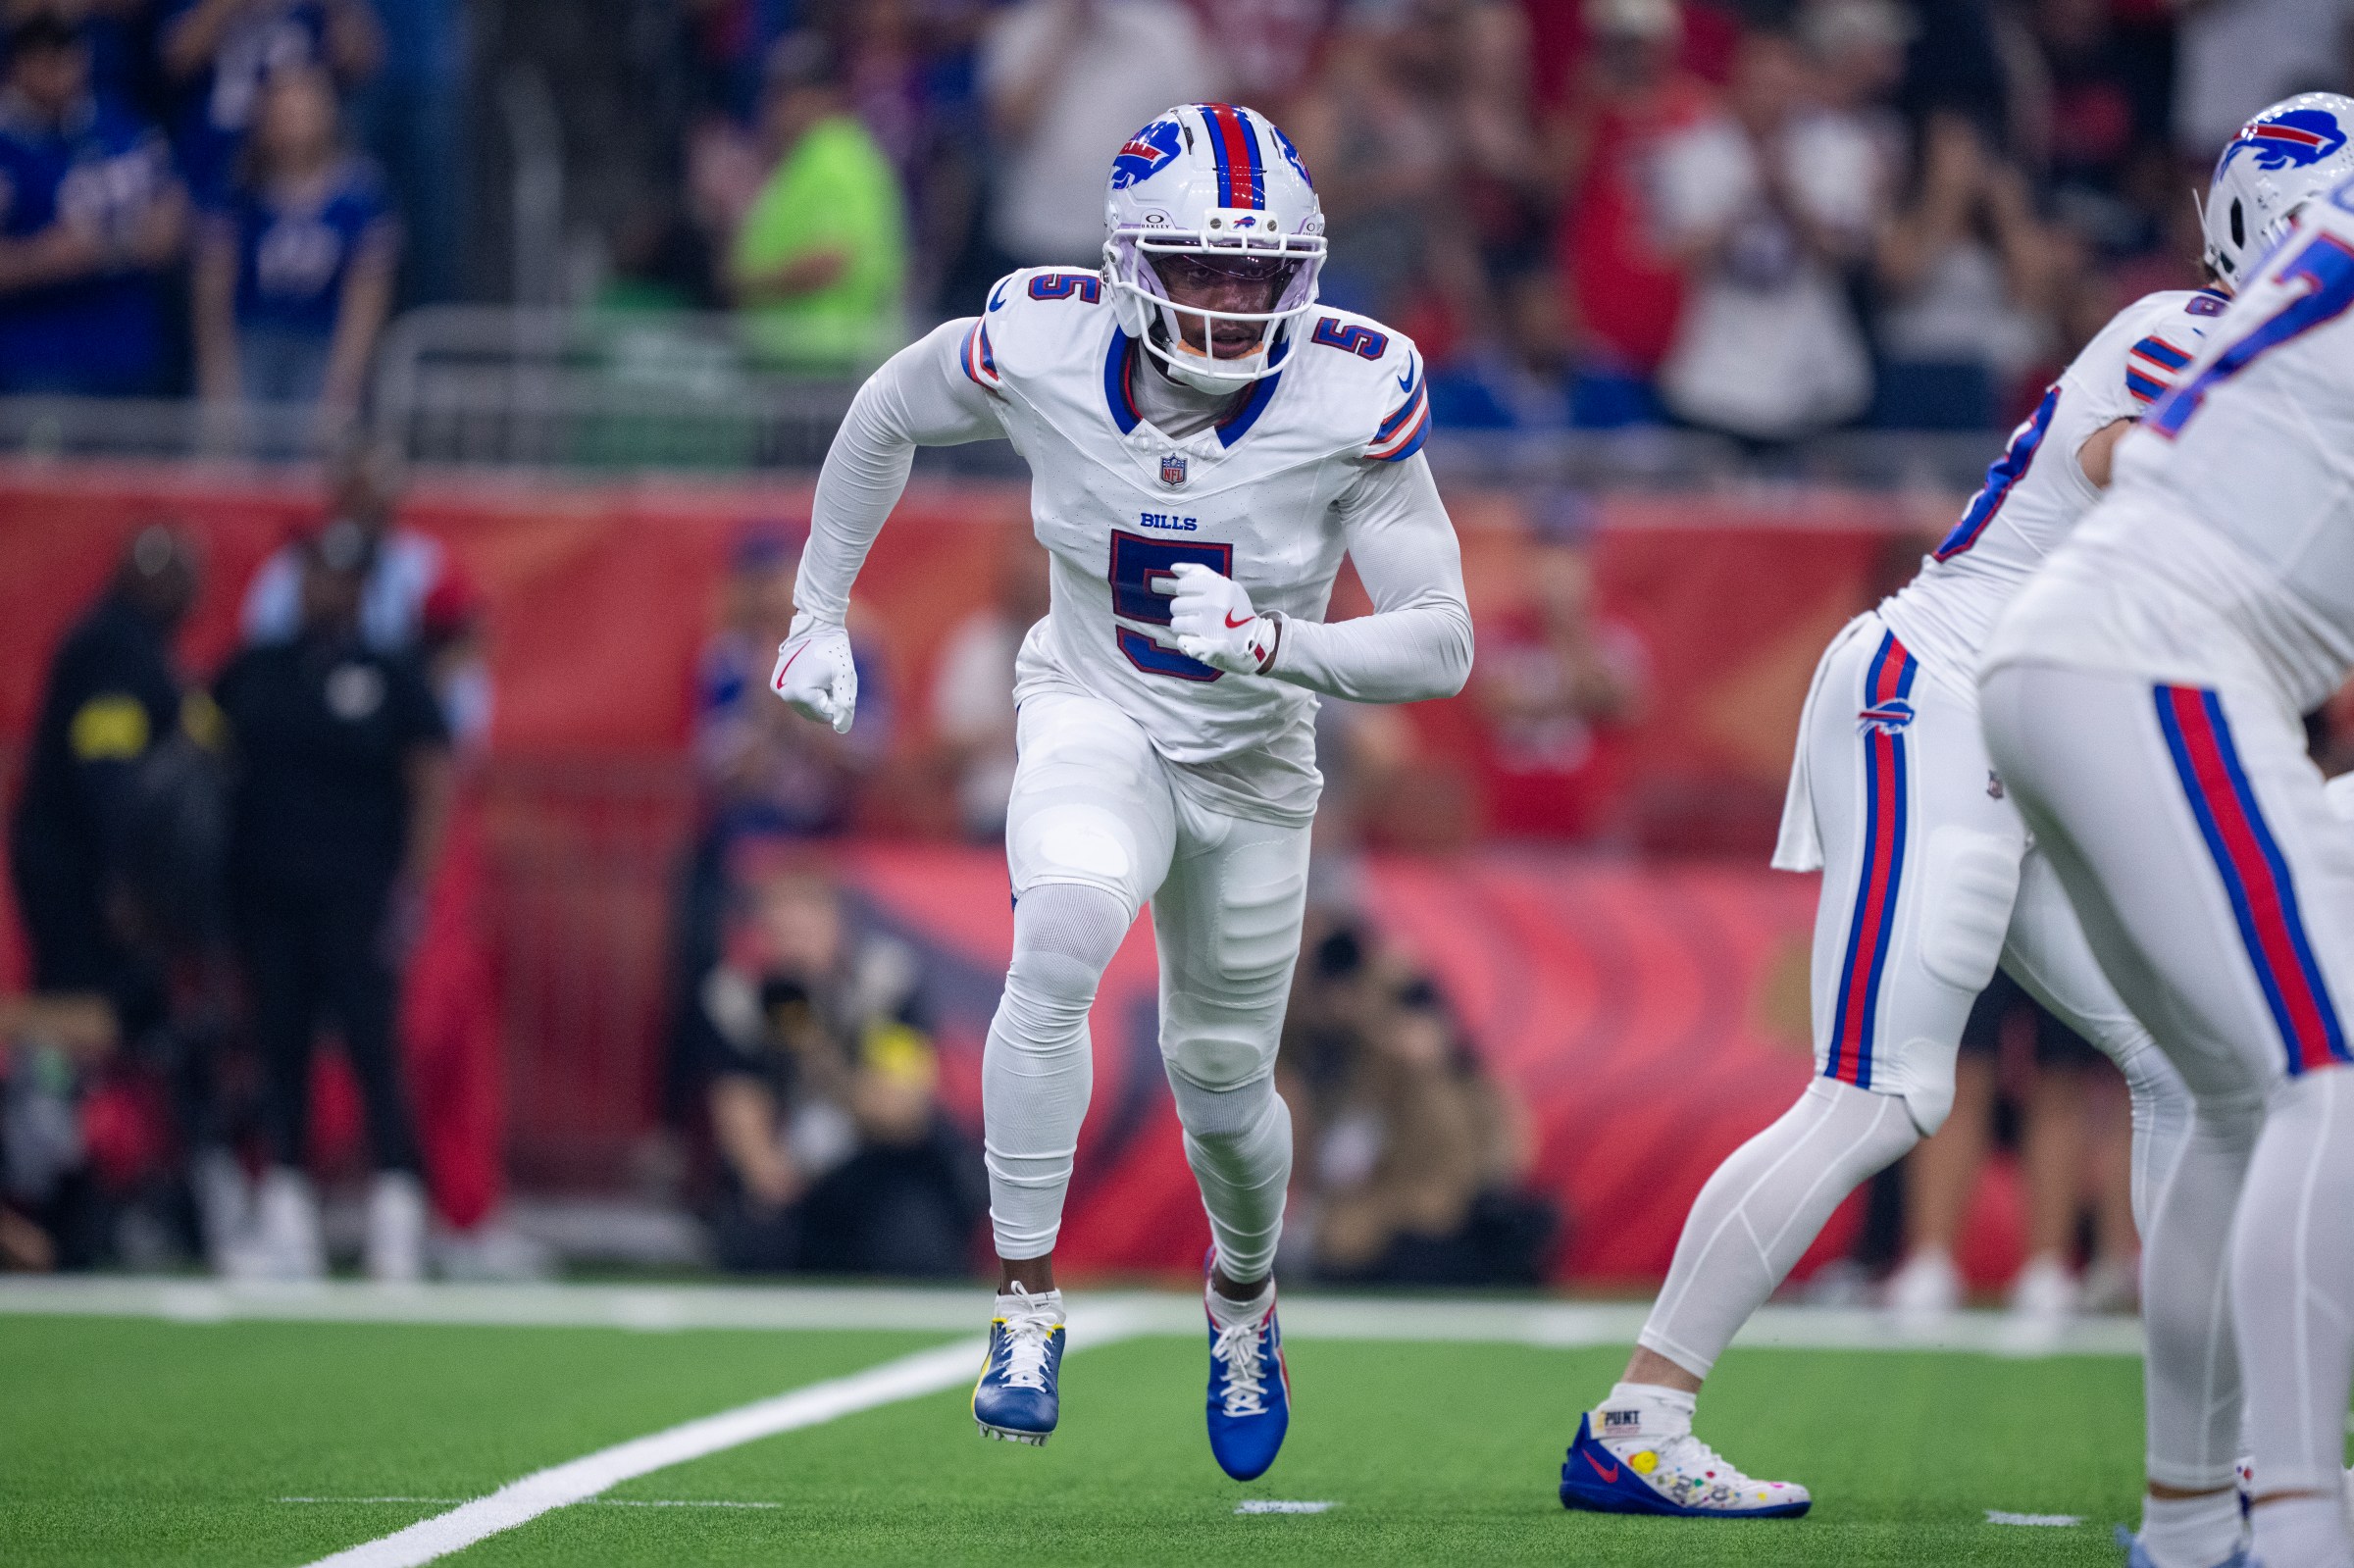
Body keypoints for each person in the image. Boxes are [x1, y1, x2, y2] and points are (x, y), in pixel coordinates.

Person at [1549, 102, 2354, 1527]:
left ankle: (2219, 1454)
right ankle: (1641, 1412)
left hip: (2055, 714)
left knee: (2195, 1068)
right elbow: (2131, 454)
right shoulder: (2190, 326)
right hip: (1948, 688)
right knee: (1882, 1085)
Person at [768, 102, 1471, 1477]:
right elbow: (885, 409)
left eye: (1257, 270)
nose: (1231, 297)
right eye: (1201, 266)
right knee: (1062, 935)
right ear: (1131, 263)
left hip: (1258, 763)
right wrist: (816, 607)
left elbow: (1442, 635)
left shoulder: (1349, 389)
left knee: (1221, 1086)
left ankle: (1245, 1294)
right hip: (1094, 710)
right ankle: (1026, 1300)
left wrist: (1281, 641)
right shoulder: (1044, 338)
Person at [1977, 149, 2354, 1568]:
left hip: (2081, 660)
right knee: (2329, 1072)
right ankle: (2305, 1520)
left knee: (2241, 1103)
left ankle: (2195, 1524)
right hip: (2156, 667)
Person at [213, 520, 452, 1282]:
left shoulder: (391, 673)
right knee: (278, 1049)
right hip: (268, 895)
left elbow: (430, 779)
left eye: (345, 577)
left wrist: (412, 884)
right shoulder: (255, 669)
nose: (328, 590)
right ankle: (286, 1214)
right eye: (317, 574)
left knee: (373, 1050)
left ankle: (396, 1213)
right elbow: (199, 766)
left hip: (356, 896)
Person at [696, 861, 984, 1276]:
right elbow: (739, 1101)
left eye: (805, 932)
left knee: (917, 1251)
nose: (794, 949)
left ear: (836, 926)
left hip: (882, 1171)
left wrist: (817, 1053)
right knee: (753, 1247)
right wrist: (767, 1171)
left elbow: (901, 1112)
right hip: (797, 1175)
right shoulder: (737, 998)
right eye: (781, 934)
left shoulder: (886, 984)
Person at [1647, 21, 1879, 445]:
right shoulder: (1690, 152)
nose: (1770, 97)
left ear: (1801, 84)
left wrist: (1789, 199)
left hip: (1816, 378)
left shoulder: (1842, 148)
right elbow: (1672, 256)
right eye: (1758, 82)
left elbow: (1849, 255)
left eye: (1781, 83)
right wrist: (1744, 199)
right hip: (1714, 378)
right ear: (1735, 83)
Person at [192, 60, 399, 423]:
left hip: (323, 342)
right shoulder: (238, 192)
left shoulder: (359, 195)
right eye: (283, 114)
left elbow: (368, 293)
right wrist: (218, 383)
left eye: (302, 113)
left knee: (315, 454)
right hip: (252, 339)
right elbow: (213, 289)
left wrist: (345, 383)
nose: (293, 126)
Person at [0, 13, 186, 396]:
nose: (60, 71)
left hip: (134, 351)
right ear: (20, 66)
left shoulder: (123, 126)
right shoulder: (8, 147)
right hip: (38, 359)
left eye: (68, 54)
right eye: (45, 59)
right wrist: (43, 259)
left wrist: (157, 233)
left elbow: (174, 218)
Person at [978, 0, 1221, 268]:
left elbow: (1203, 131)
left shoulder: (1166, 30)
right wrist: (1064, 31)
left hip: (1134, 239)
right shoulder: (1020, 27)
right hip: (1034, 235)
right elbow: (1007, 127)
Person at [728, 33, 907, 373]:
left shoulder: (836, 156)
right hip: (801, 361)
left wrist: (749, 282)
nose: (775, 108)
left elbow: (832, 259)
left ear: (824, 96)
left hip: (826, 361)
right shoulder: (810, 155)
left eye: (787, 94)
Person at [239, 433, 451, 659]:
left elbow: (458, 665)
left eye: (374, 490)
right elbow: (259, 650)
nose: (364, 503)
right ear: (337, 491)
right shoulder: (292, 567)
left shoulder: (427, 566)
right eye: (355, 489)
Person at [157, 0, 380, 203]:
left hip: (300, 163)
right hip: (213, 155)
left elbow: (361, 60)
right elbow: (173, 63)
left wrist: (339, 11)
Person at [929, 533, 1050, 840]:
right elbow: (940, 750)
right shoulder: (975, 644)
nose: (1028, 589)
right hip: (989, 815)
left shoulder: (1080, 648)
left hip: (1059, 811)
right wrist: (1001, 732)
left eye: (1036, 581)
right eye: (1020, 580)